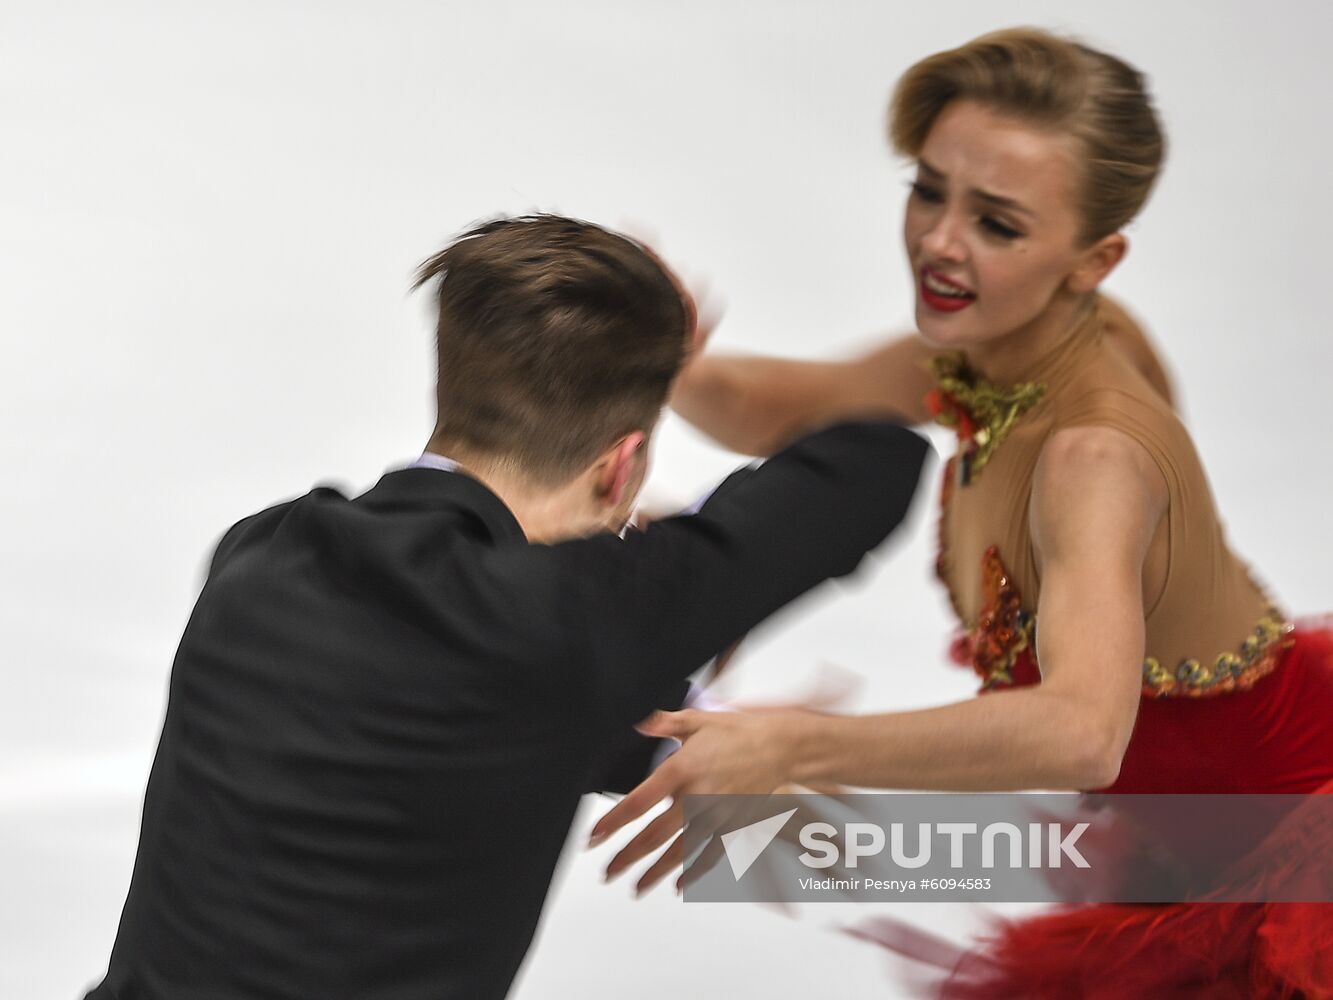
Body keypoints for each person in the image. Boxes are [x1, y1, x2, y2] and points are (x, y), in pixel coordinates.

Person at [590, 29, 1333, 998]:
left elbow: (1079, 732)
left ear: (1093, 259)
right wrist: (666, 362)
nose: (939, 240)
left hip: (1288, 866)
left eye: (998, 223)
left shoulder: (1092, 455)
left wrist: (791, 746)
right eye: (928, 188)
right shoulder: (991, 353)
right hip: (1169, 844)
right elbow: (776, 406)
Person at [81, 215, 931, 1000]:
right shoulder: (571, 618)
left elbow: (478, 706)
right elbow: (871, 464)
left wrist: (681, 728)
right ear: (620, 468)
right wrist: (673, 369)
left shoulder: (259, 554)